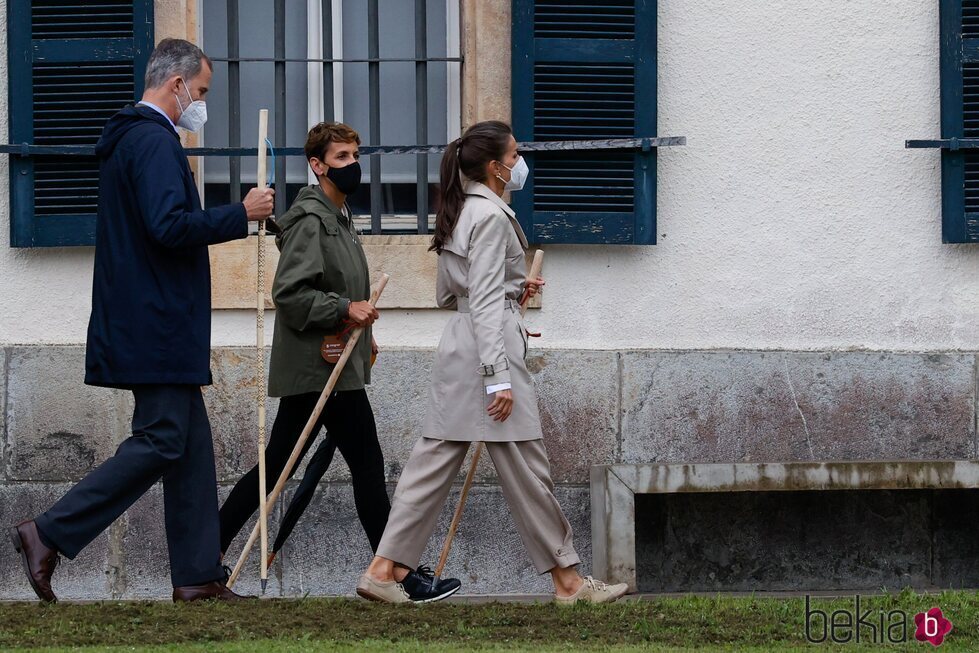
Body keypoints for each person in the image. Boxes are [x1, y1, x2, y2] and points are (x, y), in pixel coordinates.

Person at [8, 38, 274, 603]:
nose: (201, 103)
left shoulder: (134, 138)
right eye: (200, 92)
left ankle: (199, 575)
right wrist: (240, 214)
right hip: (158, 324)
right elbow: (169, 226)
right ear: (176, 85)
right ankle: (48, 532)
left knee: (190, 448)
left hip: (152, 321)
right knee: (161, 439)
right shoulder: (153, 141)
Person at [356, 120, 629, 605]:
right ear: (495, 167)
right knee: (526, 465)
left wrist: (509, 290)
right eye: (515, 154)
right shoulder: (490, 216)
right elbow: (480, 299)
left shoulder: (460, 212)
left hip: (465, 343)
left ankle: (384, 569)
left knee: (435, 462)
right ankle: (568, 582)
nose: (519, 163)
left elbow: (450, 294)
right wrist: (497, 376)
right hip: (488, 349)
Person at [217, 121, 461, 603]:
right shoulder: (313, 219)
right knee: (362, 466)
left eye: (355, 155)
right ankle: (395, 575)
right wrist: (345, 310)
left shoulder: (338, 215)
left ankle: (203, 555)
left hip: (335, 364)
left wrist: (362, 331)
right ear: (317, 165)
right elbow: (289, 293)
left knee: (281, 466)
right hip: (318, 369)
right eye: (342, 157)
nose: (353, 165)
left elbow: (336, 286)